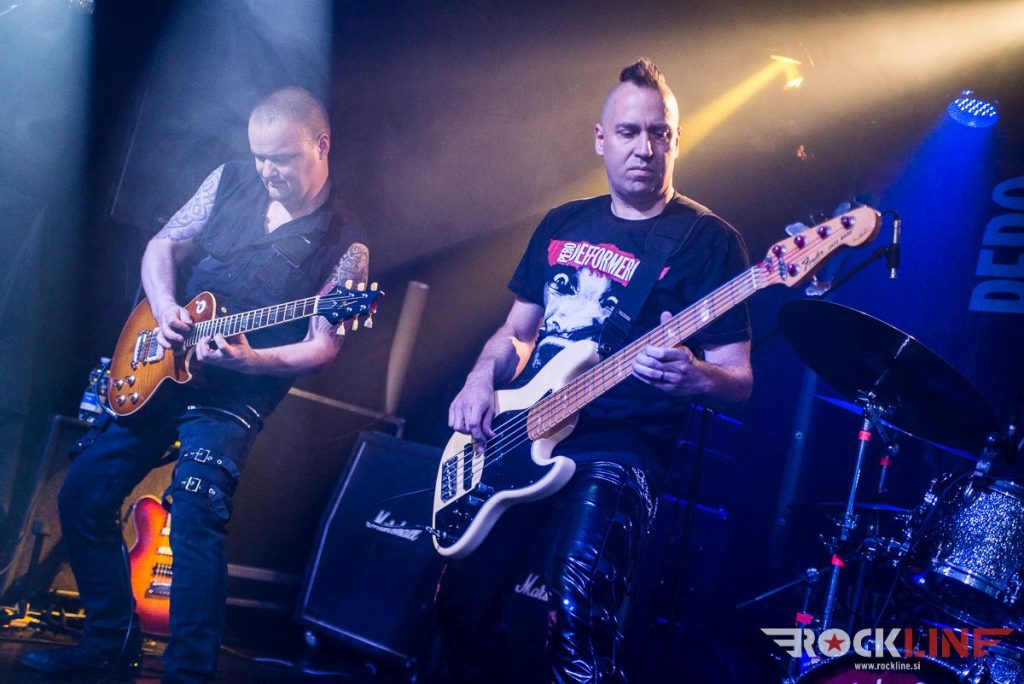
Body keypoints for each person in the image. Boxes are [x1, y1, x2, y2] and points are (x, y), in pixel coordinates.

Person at [22, 86, 369, 683]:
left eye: (281, 158)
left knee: (196, 517)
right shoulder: (230, 180)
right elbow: (163, 244)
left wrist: (250, 361)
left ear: (322, 144)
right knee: (83, 493)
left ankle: (187, 675)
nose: (267, 171)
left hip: (234, 395)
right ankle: (107, 644)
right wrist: (164, 308)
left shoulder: (345, 240)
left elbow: (323, 346)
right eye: (259, 155)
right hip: (163, 365)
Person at [435, 59, 753, 683]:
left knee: (578, 618)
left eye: (659, 133)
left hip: (618, 451)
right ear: (601, 140)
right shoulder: (563, 222)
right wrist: (478, 381)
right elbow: (517, 332)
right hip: (520, 434)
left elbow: (737, 379)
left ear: (677, 140)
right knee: (461, 608)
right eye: (629, 132)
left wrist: (695, 376)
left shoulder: (709, 241)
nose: (645, 148)